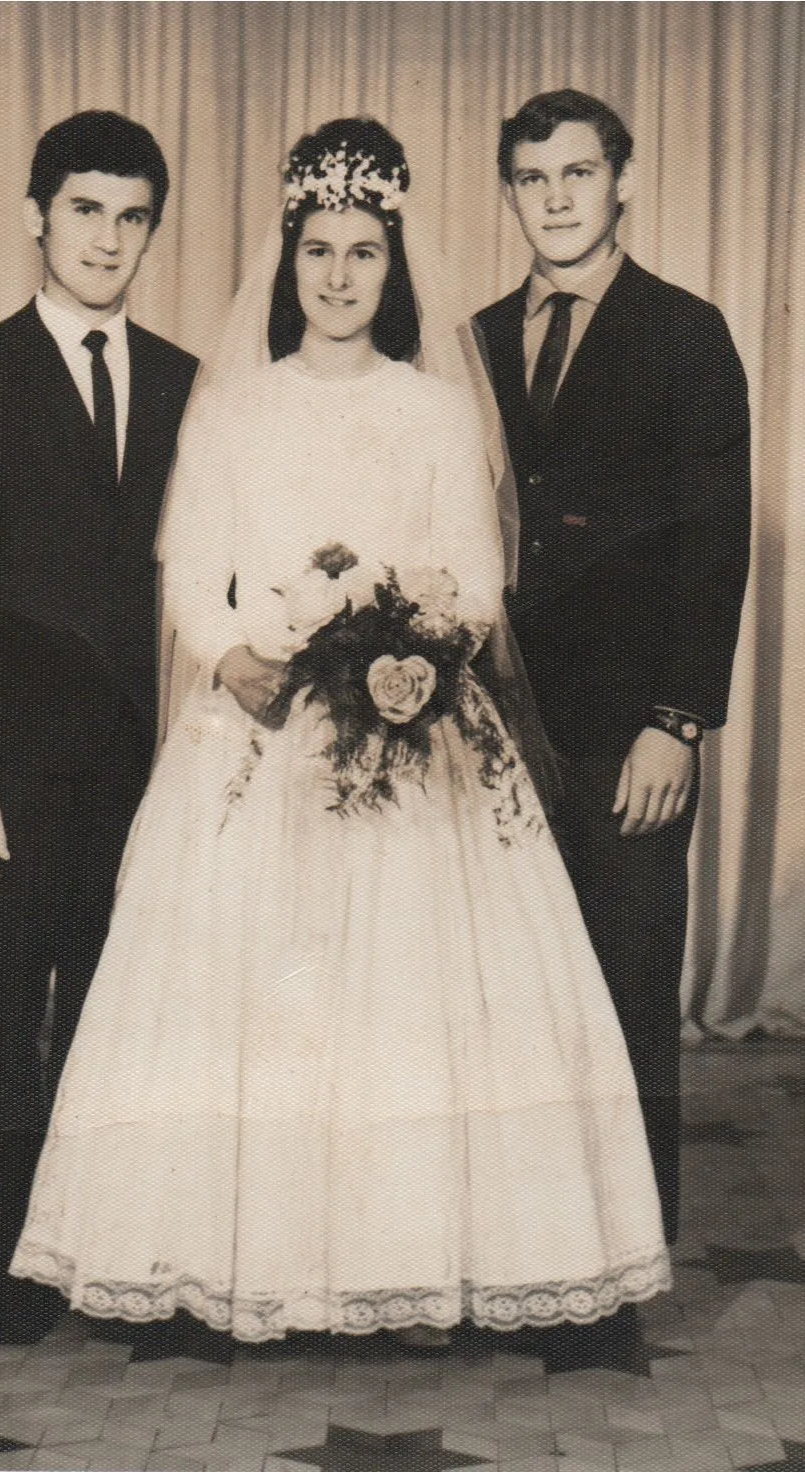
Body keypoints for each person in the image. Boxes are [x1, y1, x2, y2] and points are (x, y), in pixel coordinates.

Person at [11, 117, 670, 1351]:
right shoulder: (236, 408)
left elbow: (474, 578)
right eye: (319, 249)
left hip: (411, 730)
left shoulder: (429, 410)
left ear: (391, 264)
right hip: (257, 728)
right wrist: (239, 652)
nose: (338, 275)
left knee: (427, 997)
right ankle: (218, 1260)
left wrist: (409, 646)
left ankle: (431, 1258)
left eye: (363, 251)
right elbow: (188, 567)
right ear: (289, 257)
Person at [0, 110, 198, 1345]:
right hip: (8, 768)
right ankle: (12, 1256)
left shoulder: (186, 379)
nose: (108, 239)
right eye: (85, 209)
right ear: (37, 215)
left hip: (146, 765)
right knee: (8, 1010)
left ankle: (108, 1243)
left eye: (131, 217)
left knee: (117, 1010)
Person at [474, 90, 751, 1247]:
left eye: (577, 175)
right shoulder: (476, 334)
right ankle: (525, 1249)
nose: (555, 200)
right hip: (492, 727)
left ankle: (625, 1264)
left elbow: (713, 536)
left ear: (621, 182)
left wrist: (674, 721)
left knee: (630, 989)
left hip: (626, 728)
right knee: (515, 998)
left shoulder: (685, 332)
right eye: (533, 180)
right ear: (509, 193)